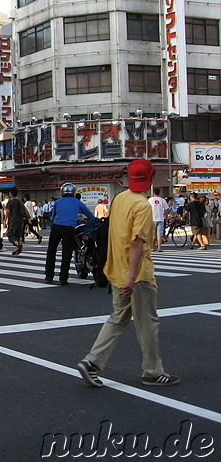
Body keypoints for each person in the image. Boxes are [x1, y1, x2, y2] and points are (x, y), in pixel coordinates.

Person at [77, 159, 180, 387]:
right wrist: (133, 278)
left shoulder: (120, 199)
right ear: (151, 179)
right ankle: (153, 372)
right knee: (148, 324)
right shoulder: (142, 206)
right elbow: (136, 243)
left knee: (118, 318)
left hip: (117, 270)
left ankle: (92, 361)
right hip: (138, 274)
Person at [44, 183, 93, 285]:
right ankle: (63, 278)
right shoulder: (77, 202)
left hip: (56, 227)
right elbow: (89, 214)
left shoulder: (57, 202)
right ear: (73, 192)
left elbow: (53, 216)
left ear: (62, 192)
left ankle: (49, 276)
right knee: (67, 253)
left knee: (51, 251)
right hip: (70, 228)